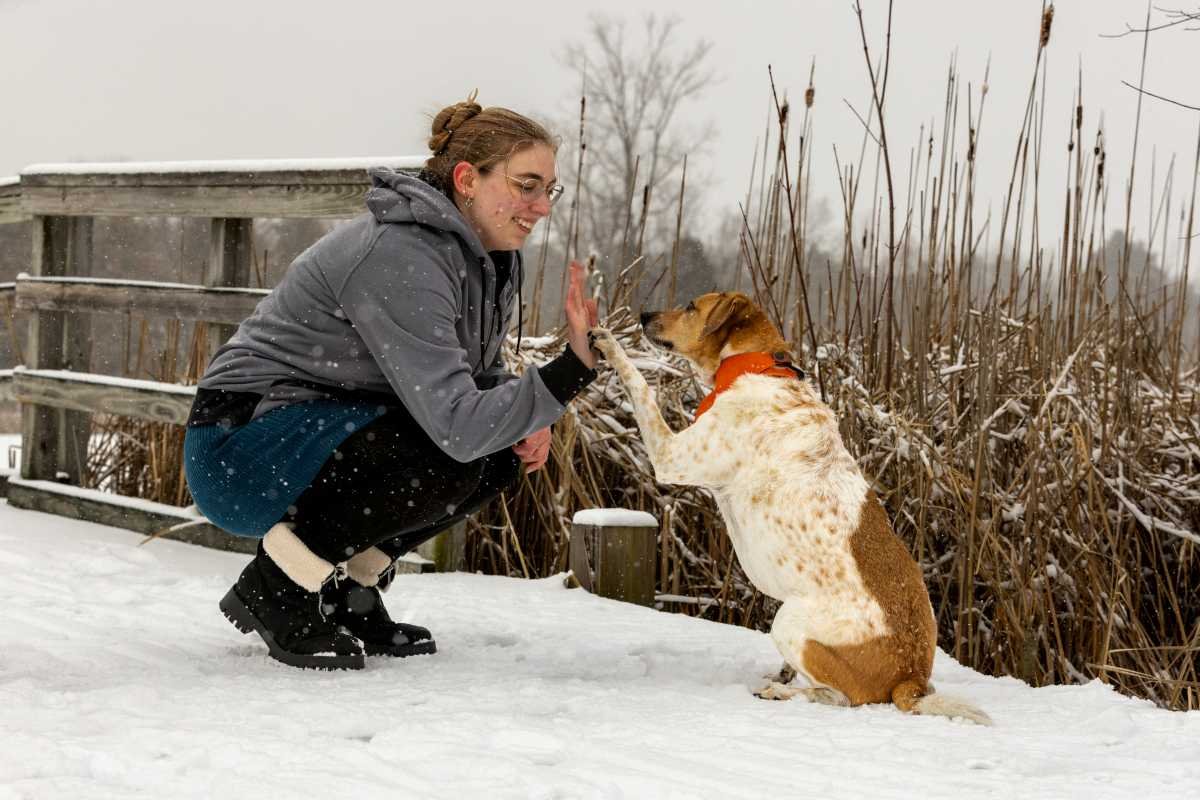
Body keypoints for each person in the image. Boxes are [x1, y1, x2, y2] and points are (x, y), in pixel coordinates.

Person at [183, 94, 599, 670]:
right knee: (451, 451)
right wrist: (567, 371)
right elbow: (455, 423)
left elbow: (473, 380)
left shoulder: (487, 257)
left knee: (499, 454)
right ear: (466, 180)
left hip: (324, 427)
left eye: (547, 190)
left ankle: (352, 589)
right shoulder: (401, 253)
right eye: (526, 184)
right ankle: (278, 586)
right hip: (240, 453)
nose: (540, 207)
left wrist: (527, 417)